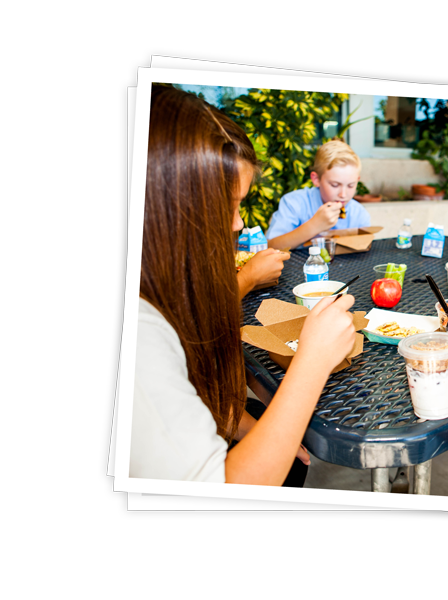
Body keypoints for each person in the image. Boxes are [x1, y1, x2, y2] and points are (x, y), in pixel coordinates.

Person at [131, 86, 358, 486]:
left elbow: (191, 390)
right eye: (226, 205)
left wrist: (252, 428)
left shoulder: (161, 291)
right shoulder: (140, 335)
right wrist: (314, 359)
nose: (237, 224)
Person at [264, 139, 371, 250]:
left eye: (350, 186)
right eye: (335, 185)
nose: (343, 194)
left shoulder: (359, 213)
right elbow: (271, 246)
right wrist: (314, 226)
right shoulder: (293, 203)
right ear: (316, 179)